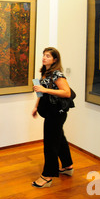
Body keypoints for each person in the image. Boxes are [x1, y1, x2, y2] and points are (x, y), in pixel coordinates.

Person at [31, 47, 73, 188]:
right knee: (59, 138)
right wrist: (36, 106)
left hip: (57, 113)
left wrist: (45, 89)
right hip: (49, 111)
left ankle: (47, 176)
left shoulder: (57, 75)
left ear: (55, 60)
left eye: (48, 56)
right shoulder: (44, 73)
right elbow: (41, 94)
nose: (44, 58)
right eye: (44, 55)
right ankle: (67, 166)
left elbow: (66, 92)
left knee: (50, 144)